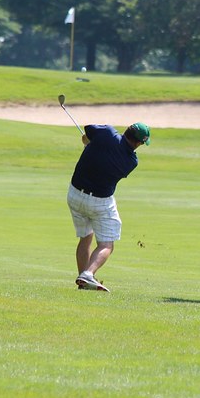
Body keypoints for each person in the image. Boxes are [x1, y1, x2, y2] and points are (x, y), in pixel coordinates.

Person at [67, 122, 151, 291]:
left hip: (75, 194)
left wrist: (89, 144)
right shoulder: (131, 161)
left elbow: (86, 135)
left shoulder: (106, 133)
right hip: (99, 202)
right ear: (137, 143)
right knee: (106, 244)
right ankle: (88, 274)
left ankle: (83, 283)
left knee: (85, 238)